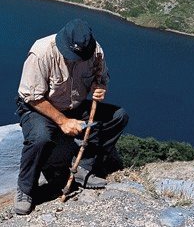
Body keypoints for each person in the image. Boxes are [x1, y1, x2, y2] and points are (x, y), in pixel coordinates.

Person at [14, 19, 129, 215]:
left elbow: (101, 78)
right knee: (40, 138)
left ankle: (83, 167)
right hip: (40, 108)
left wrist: (99, 88)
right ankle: (25, 190)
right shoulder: (41, 52)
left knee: (118, 117)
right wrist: (62, 121)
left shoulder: (95, 51)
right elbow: (31, 97)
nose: (76, 58)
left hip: (74, 105)